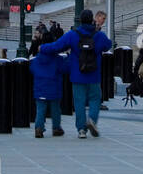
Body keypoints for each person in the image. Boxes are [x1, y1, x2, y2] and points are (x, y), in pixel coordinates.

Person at [40, 9, 112, 138]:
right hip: (94, 74)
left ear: (80, 20)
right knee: (95, 99)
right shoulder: (99, 35)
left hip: (78, 74)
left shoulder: (73, 35)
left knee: (79, 102)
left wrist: (42, 48)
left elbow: (57, 46)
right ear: (92, 20)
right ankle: (92, 120)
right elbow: (108, 45)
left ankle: (81, 130)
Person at [30, 31, 67, 138]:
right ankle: (56, 128)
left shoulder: (37, 59)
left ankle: (39, 128)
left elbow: (32, 69)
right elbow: (64, 69)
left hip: (40, 88)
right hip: (54, 88)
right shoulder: (58, 59)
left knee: (40, 110)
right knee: (55, 109)